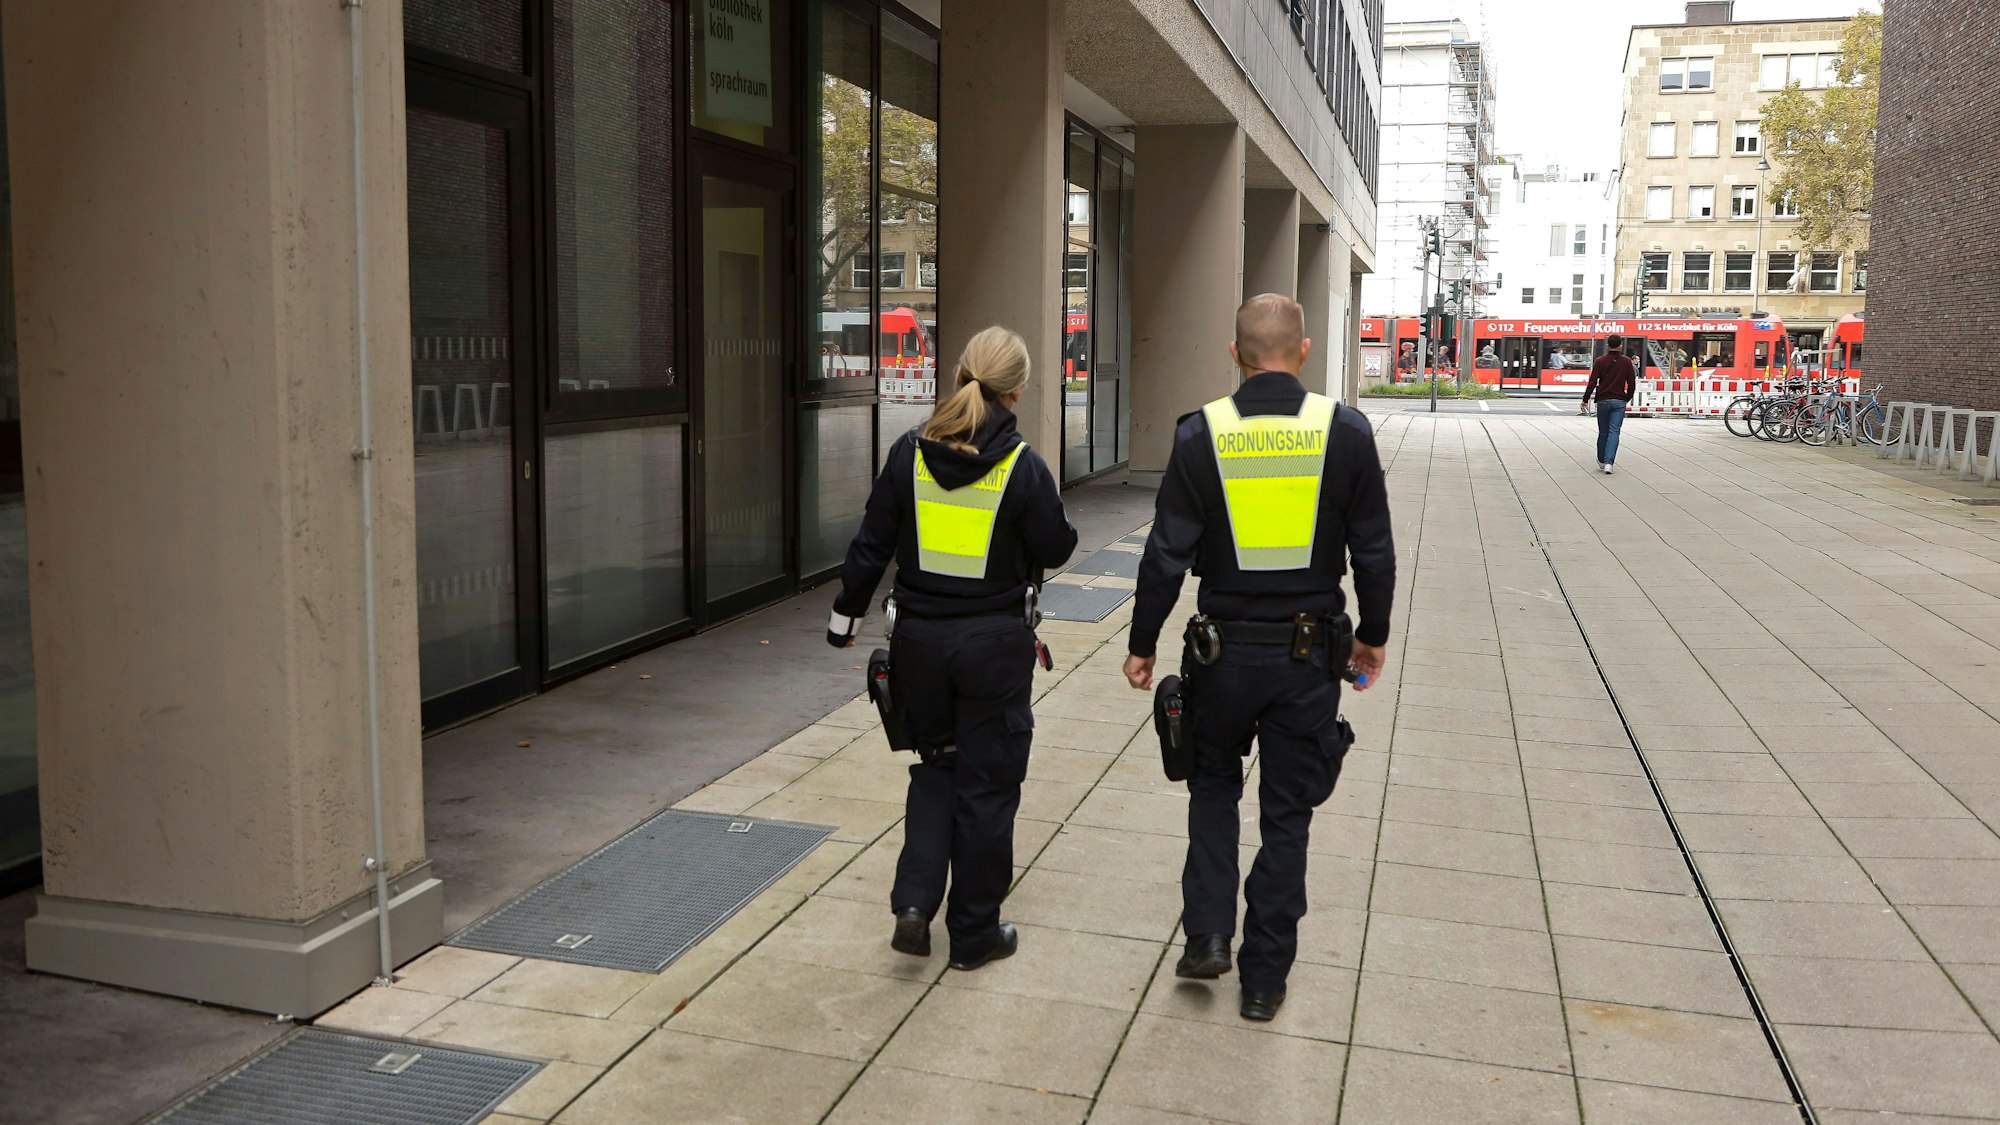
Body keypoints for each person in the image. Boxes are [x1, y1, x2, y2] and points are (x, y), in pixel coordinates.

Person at [1122, 294, 1395, 1023]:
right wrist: (1373, 631)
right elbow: (1373, 546)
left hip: (1222, 655)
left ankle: (1209, 933)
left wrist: (1143, 642)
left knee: (1212, 787)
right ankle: (1265, 979)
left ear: (1235, 352)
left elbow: (1166, 553)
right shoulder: (1345, 432)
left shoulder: (1199, 434)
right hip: (1308, 661)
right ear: (1302, 351)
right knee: (1287, 816)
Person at [828, 326, 1077, 971]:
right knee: (988, 786)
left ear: (960, 373)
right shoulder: (1022, 466)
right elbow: (1056, 547)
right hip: (994, 648)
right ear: (1016, 391)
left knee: (939, 767)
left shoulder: (909, 452)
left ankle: (915, 901)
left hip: (919, 645)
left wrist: (844, 616)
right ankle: (973, 935)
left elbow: (871, 542)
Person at [1580, 333, 1636, 474]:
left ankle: (1601, 459)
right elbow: (1632, 383)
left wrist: (1585, 399)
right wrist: (1626, 398)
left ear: (1607, 345)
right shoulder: (1627, 361)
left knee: (1603, 432)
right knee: (1614, 432)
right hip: (1619, 401)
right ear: (1620, 345)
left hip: (1603, 401)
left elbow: (1592, 382)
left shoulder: (1600, 361)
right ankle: (1609, 463)